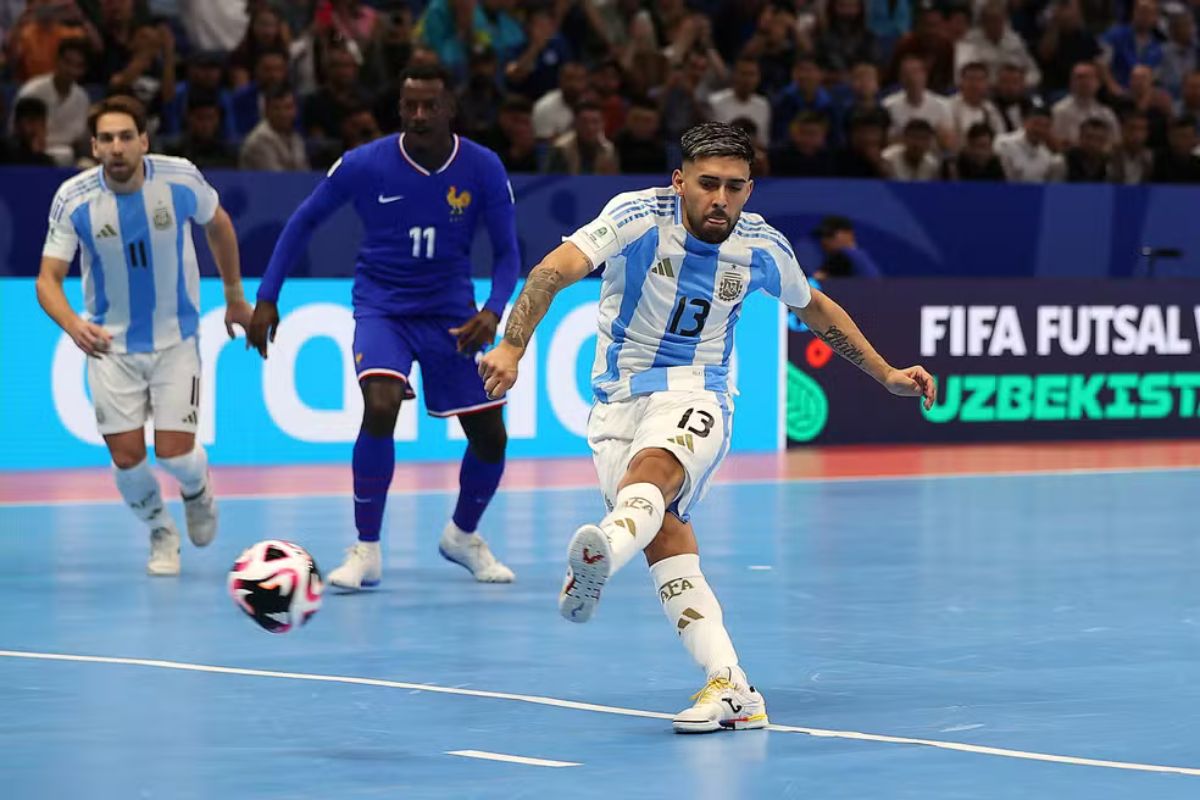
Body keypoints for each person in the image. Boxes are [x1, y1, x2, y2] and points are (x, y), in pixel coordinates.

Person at [478, 122, 935, 734]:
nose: (721, 199)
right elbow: (552, 271)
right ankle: (732, 687)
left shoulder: (762, 247)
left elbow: (816, 308)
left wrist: (884, 375)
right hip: (616, 403)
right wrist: (512, 346)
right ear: (680, 181)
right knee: (665, 538)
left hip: (697, 392)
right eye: (708, 184)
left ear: (750, 189)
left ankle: (600, 558)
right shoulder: (637, 216)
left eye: (736, 187)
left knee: (653, 478)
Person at [247, 65, 520, 589]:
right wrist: (266, 295)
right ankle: (366, 549)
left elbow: (508, 252)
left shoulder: (483, 168)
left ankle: (462, 537)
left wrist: (493, 309)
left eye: (430, 105)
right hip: (383, 310)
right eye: (409, 104)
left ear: (450, 109)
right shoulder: (364, 163)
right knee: (380, 404)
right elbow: (303, 221)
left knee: (491, 438)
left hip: (452, 316)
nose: (419, 115)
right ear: (399, 108)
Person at [34, 96, 253, 576]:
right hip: (110, 347)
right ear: (93, 146)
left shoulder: (179, 178)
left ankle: (198, 492)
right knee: (128, 459)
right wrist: (73, 324)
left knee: (175, 453)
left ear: (144, 141)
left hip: (176, 340)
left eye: (126, 137)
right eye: (107, 139)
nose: (117, 147)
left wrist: (235, 296)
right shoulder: (74, 199)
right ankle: (160, 530)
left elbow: (219, 225)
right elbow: (47, 280)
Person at [812, 215, 885, 278]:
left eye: (829, 234)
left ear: (848, 234)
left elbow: (817, 281)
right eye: (821, 236)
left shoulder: (842, 257)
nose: (824, 240)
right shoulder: (861, 256)